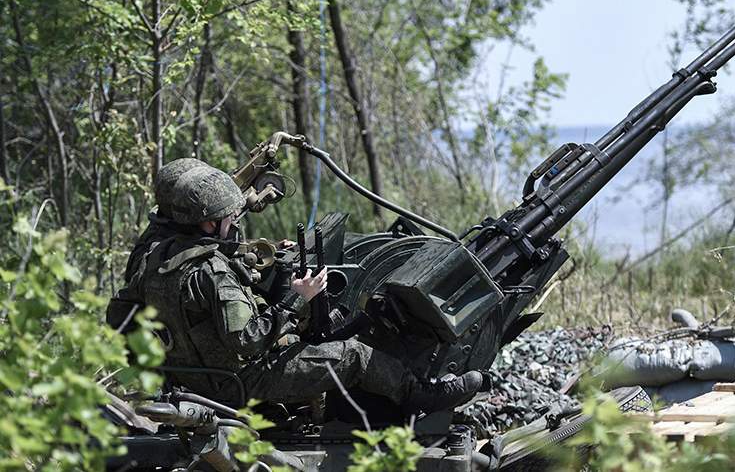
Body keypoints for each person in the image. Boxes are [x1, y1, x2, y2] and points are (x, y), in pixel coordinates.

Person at [108, 158, 484, 414]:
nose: (233, 221)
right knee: (353, 354)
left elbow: (126, 317)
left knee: (310, 335)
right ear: (207, 223)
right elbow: (247, 340)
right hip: (240, 382)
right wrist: (295, 298)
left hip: (190, 380)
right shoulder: (212, 272)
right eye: (227, 217)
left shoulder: (153, 258)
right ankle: (421, 395)